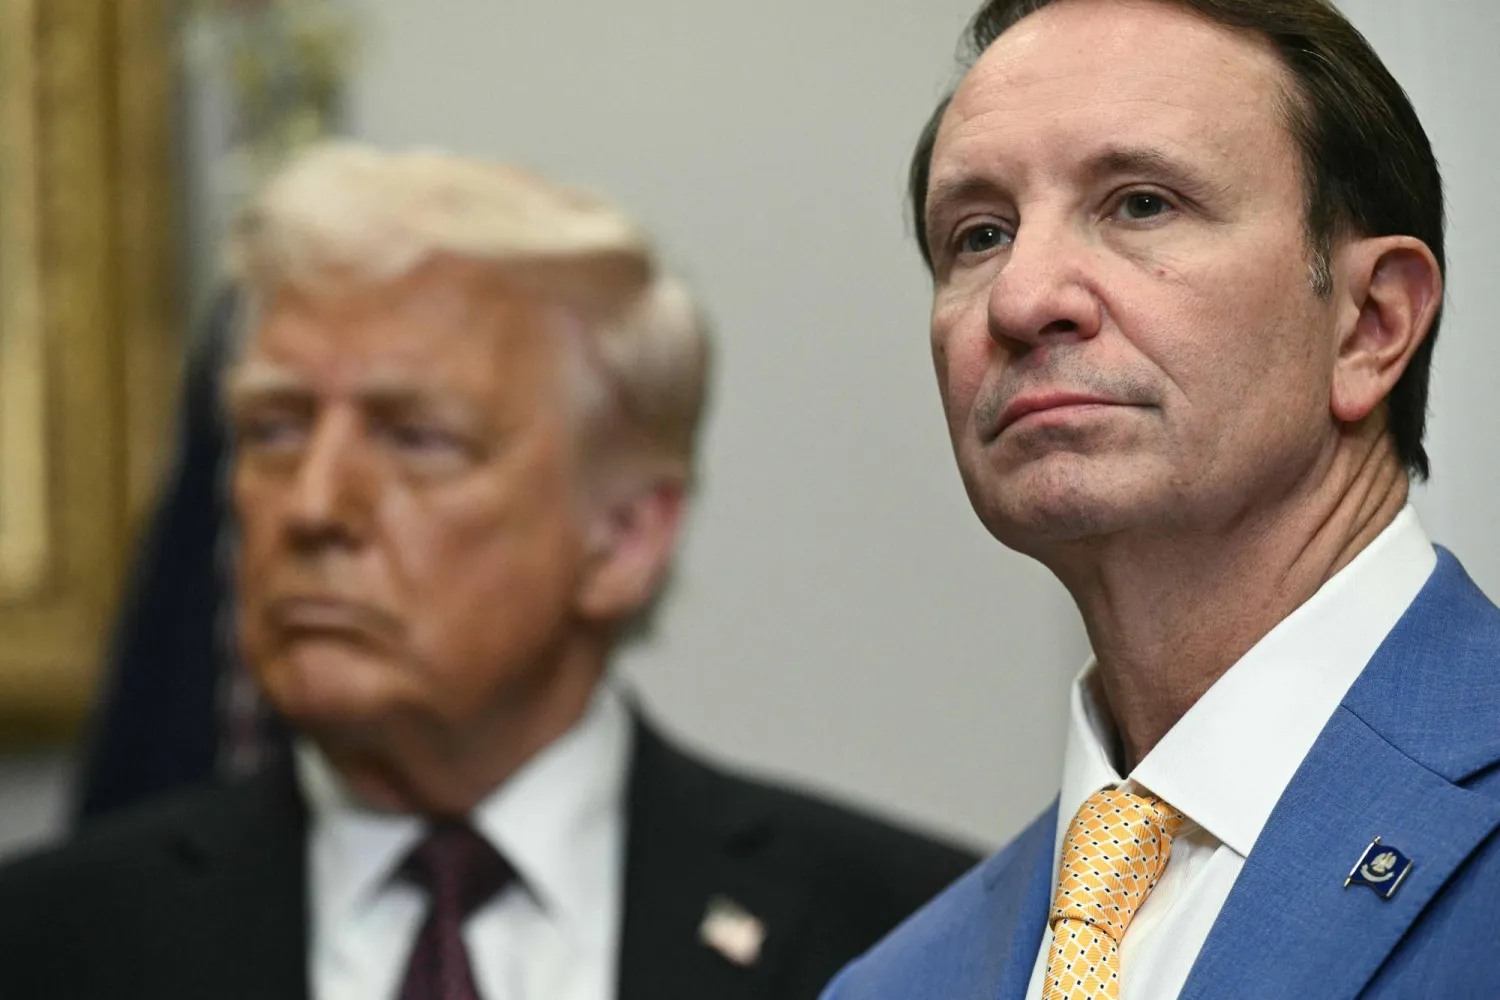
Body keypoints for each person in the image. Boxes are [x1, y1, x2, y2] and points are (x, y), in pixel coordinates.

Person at [0, 142, 977, 1000]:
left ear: (626, 536)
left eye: (418, 438)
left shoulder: (914, 938)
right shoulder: (47, 944)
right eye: (274, 430)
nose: (311, 505)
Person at [824, 1, 1500, 998]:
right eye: (979, 234)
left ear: (1370, 323)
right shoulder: (894, 984)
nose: (1022, 297)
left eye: (1140, 204)